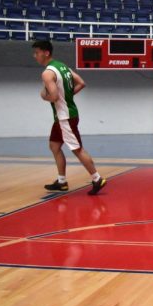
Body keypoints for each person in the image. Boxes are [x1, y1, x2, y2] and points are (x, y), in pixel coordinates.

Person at [32, 40, 107, 195]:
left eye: (37, 52)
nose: (35, 56)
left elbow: (53, 96)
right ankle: (62, 182)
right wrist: (67, 96)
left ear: (46, 53)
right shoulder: (62, 67)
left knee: (77, 149)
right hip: (66, 115)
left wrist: (44, 97)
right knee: (54, 146)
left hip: (64, 117)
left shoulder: (47, 73)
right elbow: (81, 83)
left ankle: (97, 178)